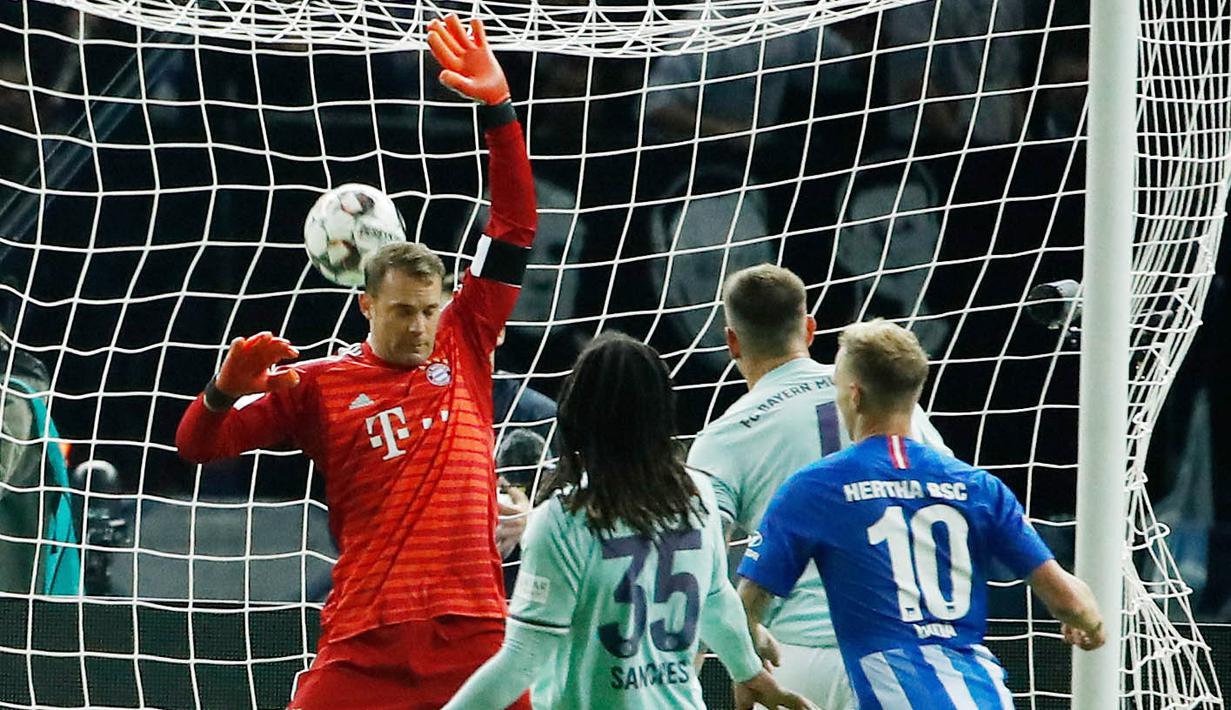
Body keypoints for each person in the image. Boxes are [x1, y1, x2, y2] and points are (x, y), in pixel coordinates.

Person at [175, 15, 536, 709]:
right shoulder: (316, 385)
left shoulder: (466, 336)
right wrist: (222, 390)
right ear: (366, 305)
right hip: (365, 641)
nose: (421, 326)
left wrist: (498, 110)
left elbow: (514, 223)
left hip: (473, 638)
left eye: (430, 310)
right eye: (404, 312)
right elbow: (199, 445)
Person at [737, 320, 1105, 708]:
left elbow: (748, 604)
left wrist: (748, 656)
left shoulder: (817, 487)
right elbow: (1069, 601)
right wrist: (1091, 624)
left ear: (855, 396)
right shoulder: (977, 486)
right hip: (984, 694)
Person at [443, 332, 814, 710]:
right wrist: (749, 672)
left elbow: (521, 659)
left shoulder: (561, 521)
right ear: (660, 412)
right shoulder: (697, 493)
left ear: (577, 412)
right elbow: (715, 598)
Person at [686, 263, 948, 708]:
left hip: (794, 662)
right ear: (809, 329)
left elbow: (696, 566)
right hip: (903, 649)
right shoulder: (886, 400)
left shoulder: (722, 438)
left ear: (731, 342)